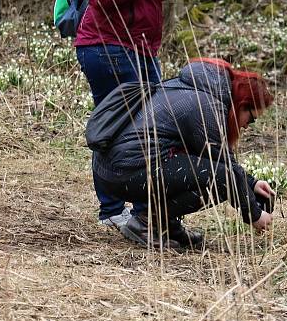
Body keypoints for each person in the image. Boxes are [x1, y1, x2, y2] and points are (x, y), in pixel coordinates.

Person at [73, 0, 182, 229]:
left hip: (139, 48)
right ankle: (114, 210)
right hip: (107, 47)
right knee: (116, 128)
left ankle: (143, 210)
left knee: (144, 129)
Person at [90, 58, 276, 249]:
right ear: (242, 104)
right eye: (251, 119)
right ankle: (147, 223)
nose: (246, 126)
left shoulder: (191, 89)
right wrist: (254, 214)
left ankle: (165, 225)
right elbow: (224, 169)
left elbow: (217, 156)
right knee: (219, 179)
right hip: (125, 171)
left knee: (209, 171)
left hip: (112, 168)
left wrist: (252, 184)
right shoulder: (208, 105)